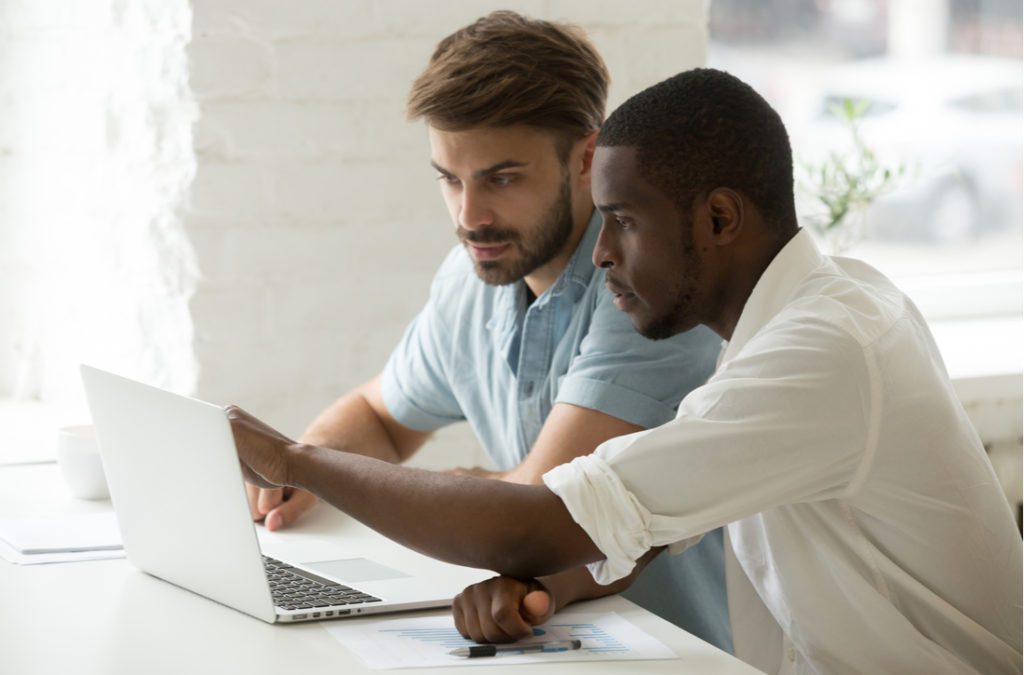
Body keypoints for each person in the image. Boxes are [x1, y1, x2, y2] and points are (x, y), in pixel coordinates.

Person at [229, 67, 1024, 674]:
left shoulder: (827, 351)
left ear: (718, 219)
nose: (602, 254)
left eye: (624, 222)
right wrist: (545, 585)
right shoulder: (782, 326)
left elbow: (538, 516)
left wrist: (297, 462)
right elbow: (643, 530)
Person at [242, 11, 731, 649]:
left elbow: (542, 509)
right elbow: (381, 417)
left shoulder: (648, 293)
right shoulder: (472, 276)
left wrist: (320, 468)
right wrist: (294, 481)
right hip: (541, 636)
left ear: (588, 158)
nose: (470, 216)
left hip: (670, 649)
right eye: (450, 179)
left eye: (501, 179)